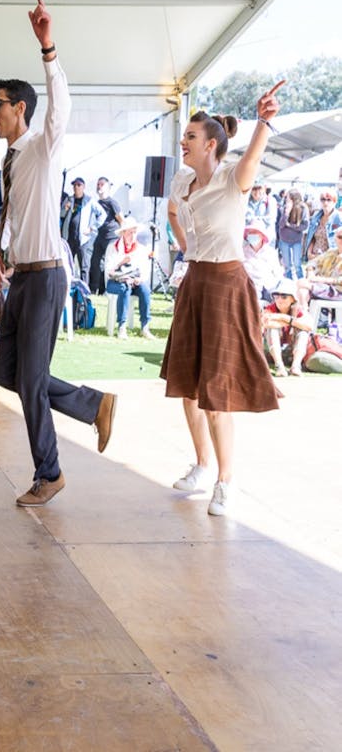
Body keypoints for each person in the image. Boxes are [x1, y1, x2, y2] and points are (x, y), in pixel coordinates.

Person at [0, 0, 116, 507]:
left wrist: (48, 48)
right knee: (6, 372)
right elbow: (15, 213)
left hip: (45, 277)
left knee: (32, 380)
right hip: (23, 276)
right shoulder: (10, 159)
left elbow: (61, 106)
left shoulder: (43, 145)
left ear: (20, 108)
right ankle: (92, 404)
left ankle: (51, 472)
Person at [163, 87, 285, 517]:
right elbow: (173, 212)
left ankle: (225, 481)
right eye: (185, 135)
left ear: (211, 144)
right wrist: (185, 248)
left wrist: (264, 121)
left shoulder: (233, 179)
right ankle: (201, 466)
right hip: (194, 281)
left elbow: (253, 154)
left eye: (191, 136)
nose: (184, 141)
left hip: (226, 285)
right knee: (187, 387)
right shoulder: (182, 182)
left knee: (216, 394)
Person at [104, 216, 154, 339]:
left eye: (134, 232)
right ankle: (122, 326)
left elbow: (144, 270)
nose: (132, 235)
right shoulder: (113, 247)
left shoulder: (140, 249)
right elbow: (109, 271)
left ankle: (145, 326)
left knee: (145, 290)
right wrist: (121, 263)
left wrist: (140, 279)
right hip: (115, 282)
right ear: (123, 233)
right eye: (130, 232)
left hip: (134, 281)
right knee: (124, 287)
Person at [262, 277, 312, 377]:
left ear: (293, 299)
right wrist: (293, 322)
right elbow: (266, 323)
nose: (279, 300)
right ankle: (279, 366)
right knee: (273, 329)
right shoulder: (270, 308)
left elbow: (309, 326)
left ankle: (296, 366)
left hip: (291, 351)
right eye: (276, 296)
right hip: (271, 352)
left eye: (284, 296)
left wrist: (282, 317)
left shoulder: (298, 309)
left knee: (303, 332)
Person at [88, 177, 123, 293]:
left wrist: (122, 237)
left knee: (108, 264)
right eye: (98, 184)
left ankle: (105, 290)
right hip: (100, 236)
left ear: (108, 187)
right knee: (95, 262)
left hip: (111, 237)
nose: (99, 186)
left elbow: (121, 220)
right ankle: (93, 289)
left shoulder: (112, 203)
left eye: (102, 184)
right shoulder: (97, 203)